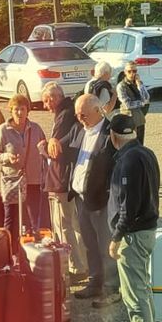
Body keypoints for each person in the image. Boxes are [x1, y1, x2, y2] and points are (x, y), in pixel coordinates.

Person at [106, 113, 160, 322]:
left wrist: (117, 237)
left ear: (114, 137)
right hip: (147, 231)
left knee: (133, 292)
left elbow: (128, 205)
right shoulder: (147, 153)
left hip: (133, 236)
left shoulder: (127, 161)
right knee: (142, 287)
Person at [69, 94, 119, 307]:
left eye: (84, 115)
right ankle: (94, 283)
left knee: (105, 245)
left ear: (99, 111)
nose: (80, 118)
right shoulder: (83, 129)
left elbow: (115, 168)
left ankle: (110, 288)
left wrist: (108, 196)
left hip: (100, 200)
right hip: (81, 197)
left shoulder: (110, 134)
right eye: (78, 114)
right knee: (89, 244)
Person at [39, 83, 87, 279]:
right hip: (71, 177)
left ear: (54, 98)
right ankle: (82, 263)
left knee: (63, 224)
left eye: (46, 101)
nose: (44, 106)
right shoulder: (69, 112)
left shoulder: (63, 116)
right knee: (74, 223)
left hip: (62, 178)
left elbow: (55, 151)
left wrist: (42, 149)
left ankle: (74, 267)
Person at [0, 94, 46, 254]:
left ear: (27, 110)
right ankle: (8, 253)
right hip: (12, 180)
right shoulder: (3, 129)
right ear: (11, 111)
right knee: (11, 219)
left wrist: (46, 148)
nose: (19, 113)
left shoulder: (35, 128)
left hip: (33, 179)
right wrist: (6, 157)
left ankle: (31, 254)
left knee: (32, 219)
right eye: (16, 109)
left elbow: (44, 148)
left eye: (22, 109)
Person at [115, 61, 151, 144]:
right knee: (129, 146)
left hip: (139, 120)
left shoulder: (138, 83)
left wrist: (139, 85)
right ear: (125, 72)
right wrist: (141, 103)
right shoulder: (121, 86)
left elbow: (146, 98)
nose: (132, 74)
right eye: (129, 71)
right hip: (128, 120)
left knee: (140, 145)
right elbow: (128, 104)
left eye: (134, 71)